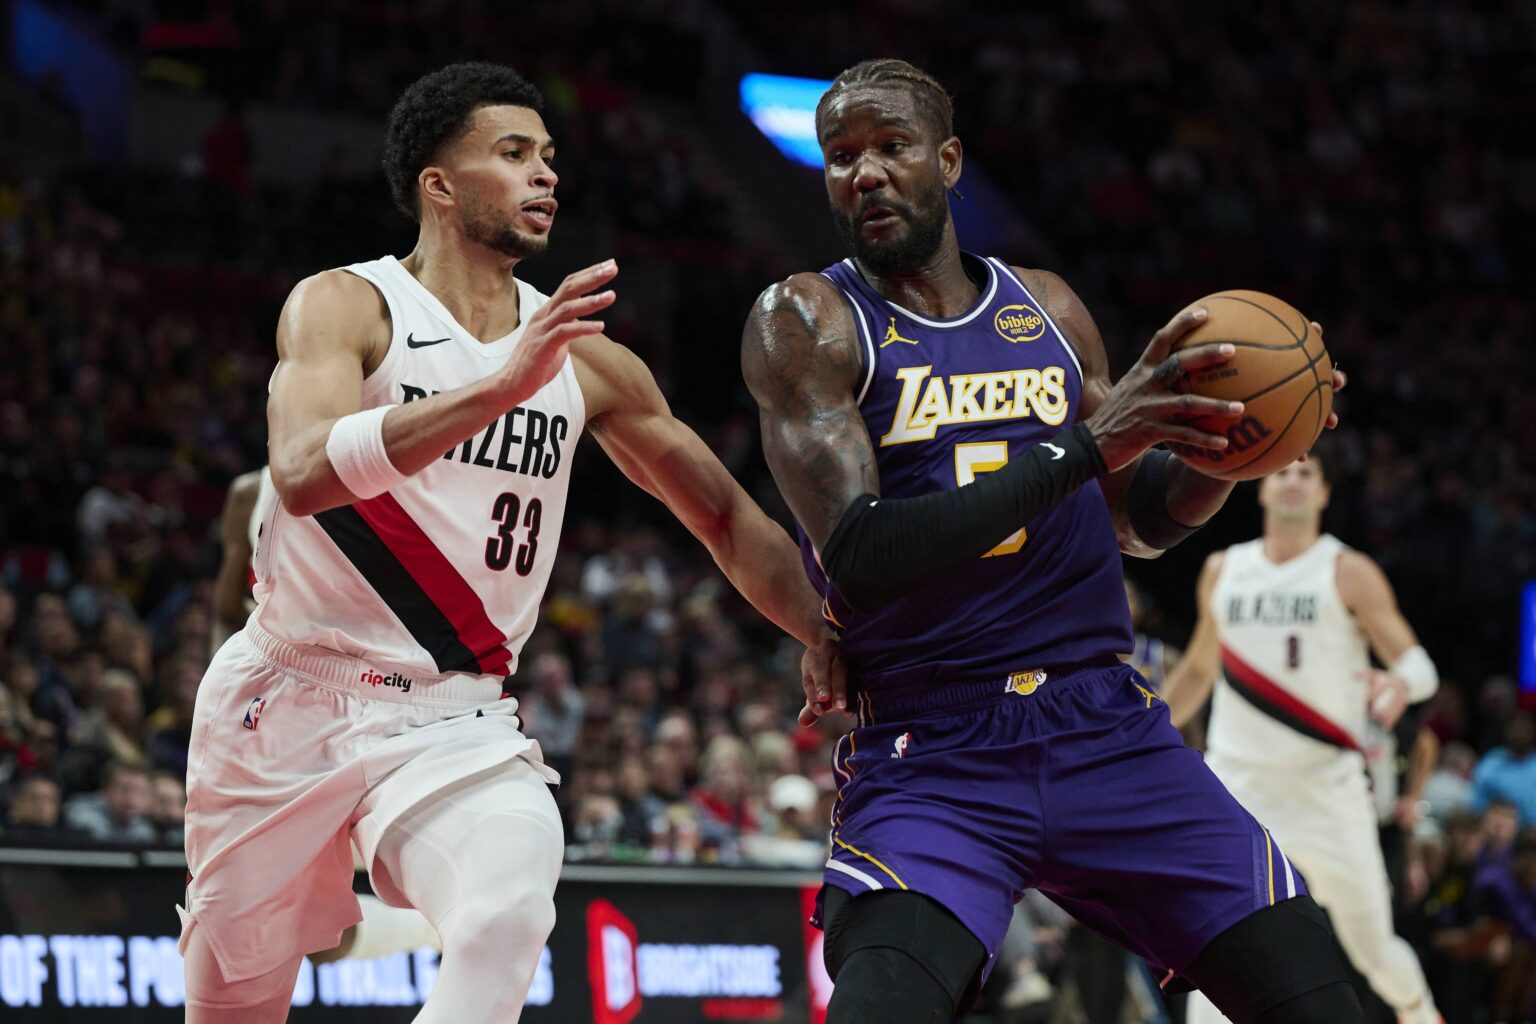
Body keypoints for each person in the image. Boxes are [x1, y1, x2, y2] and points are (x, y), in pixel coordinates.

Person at [180, 61, 840, 1023]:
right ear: (438, 186)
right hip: (285, 698)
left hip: (454, 715)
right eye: (514, 153)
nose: (545, 176)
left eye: (549, 157)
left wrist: (824, 632)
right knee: (233, 1005)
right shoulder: (346, 306)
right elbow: (302, 470)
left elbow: (728, 519)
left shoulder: (582, 358)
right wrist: (492, 389)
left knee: (507, 912)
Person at [740, 58, 1355, 1024]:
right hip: (934, 750)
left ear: (946, 161)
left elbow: (1133, 520)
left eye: (891, 148)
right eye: (841, 156)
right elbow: (861, 555)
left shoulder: (1049, 311)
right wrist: (1089, 444)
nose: (864, 173)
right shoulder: (808, 319)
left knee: (1324, 1006)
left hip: (1107, 728)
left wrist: (1222, 449)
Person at [1164, 453, 1445, 1024]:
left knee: (1375, 951)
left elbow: (1420, 663)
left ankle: (1422, 1014)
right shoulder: (1223, 568)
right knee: (1219, 947)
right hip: (1241, 790)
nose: (1292, 480)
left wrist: (1401, 680)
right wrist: (1139, 730)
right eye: (1281, 472)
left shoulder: (1346, 570)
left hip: (1327, 793)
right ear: (1261, 490)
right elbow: (1197, 671)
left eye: (1306, 473)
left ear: (1323, 493)